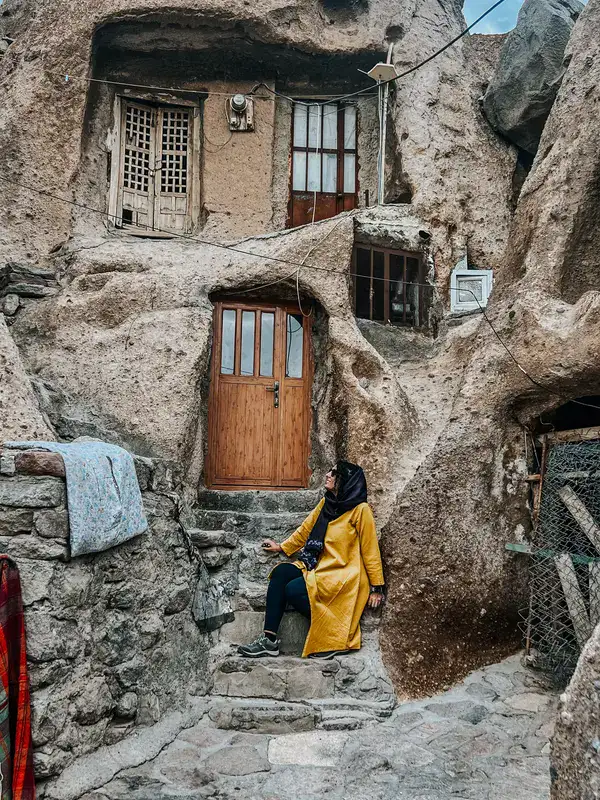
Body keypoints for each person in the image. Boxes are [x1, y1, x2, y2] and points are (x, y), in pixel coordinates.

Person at [238, 461, 385, 660]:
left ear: (346, 481)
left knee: (293, 589)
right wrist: (283, 547)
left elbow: (370, 549)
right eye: (329, 471)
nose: (327, 475)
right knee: (281, 573)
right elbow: (307, 528)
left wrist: (377, 587)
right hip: (321, 567)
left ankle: (336, 633)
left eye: (334, 473)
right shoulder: (327, 503)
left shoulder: (361, 510)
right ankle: (269, 641)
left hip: (344, 575)